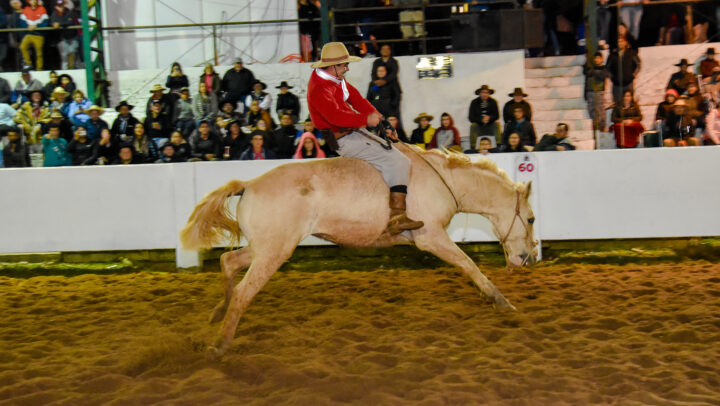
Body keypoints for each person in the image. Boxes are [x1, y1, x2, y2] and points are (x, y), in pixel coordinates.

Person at [307, 42, 423, 235]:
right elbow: (335, 117)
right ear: (333, 66)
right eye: (344, 64)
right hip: (341, 137)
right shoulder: (319, 88)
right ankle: (397, 217)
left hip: (350, 131)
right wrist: (366, 119)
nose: (347, 67)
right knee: (398, 162)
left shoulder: (335, 79)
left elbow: (357, 100)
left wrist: (381, 122)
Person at [607, 36, 641, 103]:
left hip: (628, 83)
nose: (620, 43)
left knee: (629, 104)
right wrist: (611, 77)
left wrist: (634, 75)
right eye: (618, 41)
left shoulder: (631, 53)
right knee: (617, 105)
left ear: (625, 42)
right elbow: (607, 67)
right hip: (616, 85)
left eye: (622, 41)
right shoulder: (612, 55)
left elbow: (638, 64)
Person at [18, 0, 49, 70]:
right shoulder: (26, 9)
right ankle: (29, 65)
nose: (33, 1)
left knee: (39, 52)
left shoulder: (42, 9)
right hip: (29, 34)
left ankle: (39, 69)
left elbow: (45, 23)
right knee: (22, 47)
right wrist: (27, 27)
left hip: (39, 35)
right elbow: (21, 22)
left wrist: (36, 27)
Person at [469, 84, 500, 149]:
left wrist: (489, 118)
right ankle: (473, 147)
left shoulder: (493, 102)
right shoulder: (474, 102)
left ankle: (497, 146)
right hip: (478, 124)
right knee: (473, 126)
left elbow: (497, 116)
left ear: (489, 94)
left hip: (490, 124)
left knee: (497, 125)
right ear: (480, 93)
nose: (485, 94)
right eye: (483, 92)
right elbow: (471, 117)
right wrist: (481, 119)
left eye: (487, 92)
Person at [584, 52, 609, 131]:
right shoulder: (591, 68)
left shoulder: (604, 68)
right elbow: (586, 72)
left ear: (602, 59)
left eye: (598, 58)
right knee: (591, 110)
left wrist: (593, 72)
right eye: (595, 58)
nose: (597, 60)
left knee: (600, 110)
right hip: (590, 92)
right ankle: (594, 126)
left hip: (599, 92)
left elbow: (601, 75)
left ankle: (602, 127)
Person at [50, 1, 78, 69]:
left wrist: (59, 24)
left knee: (72, 59)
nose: (60, 7)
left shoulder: (69, 12)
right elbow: (52, 22)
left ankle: (72, 73)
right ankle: (64, 74)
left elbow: (69, 21)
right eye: (59, 5)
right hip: (63, 39)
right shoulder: (54, 13)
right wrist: (54, 24)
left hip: (73, 38)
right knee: (64, 59)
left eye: (62, 5)